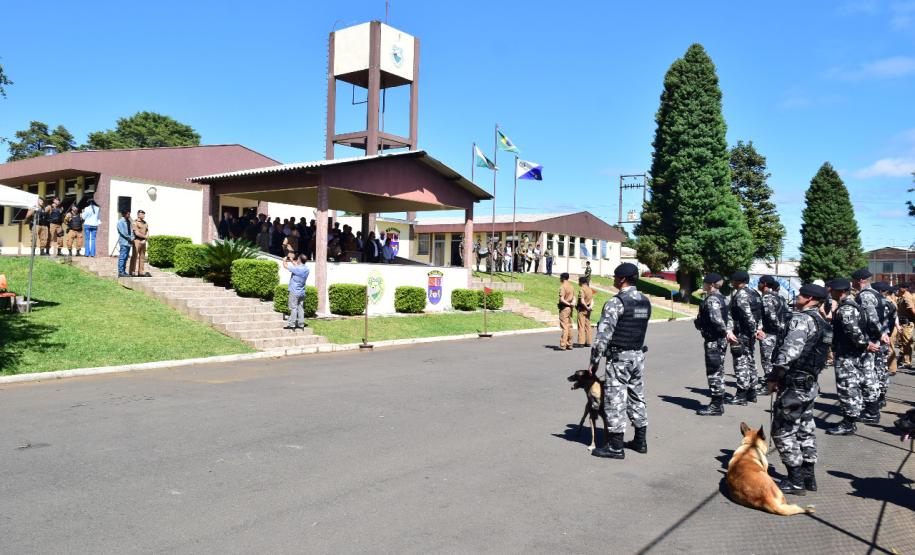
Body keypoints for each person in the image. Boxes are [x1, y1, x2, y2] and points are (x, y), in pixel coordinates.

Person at [766, 283, 831, 495]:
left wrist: (774, 376)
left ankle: (795, 479)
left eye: (802, 294)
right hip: (810, 383)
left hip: (794, 384)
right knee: (805, 429)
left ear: (810, 299)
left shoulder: (802, 319)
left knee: (783, 431)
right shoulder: (823, 322)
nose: (798, 297)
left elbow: (790, 352)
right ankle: (808, 476)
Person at [590, 262, 652, 459]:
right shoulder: (644, 302)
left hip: (619, 358)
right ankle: (640, 441)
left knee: (615, 399)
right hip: (637, 357)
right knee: (637, 396)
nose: (614, 280)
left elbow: (603, 336)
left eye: (616, 277)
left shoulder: (616, 302)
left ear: (622, 279)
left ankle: (616, 446)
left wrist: (594, 361)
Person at [825, 278, 869, 436]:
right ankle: (851, 417)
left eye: (834, 290)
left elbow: (853, 332)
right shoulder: (851, 304)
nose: (831, 293)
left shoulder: (846, 309)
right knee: (852, 385)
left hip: (847, 355)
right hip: (850, 353)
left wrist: (865, 344)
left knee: (847, 387)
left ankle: (848, 423)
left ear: (841, 291)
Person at [851, 268, 887, 423]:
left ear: (859, 280)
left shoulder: (865, 295)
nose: (852, 283)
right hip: (874, 338)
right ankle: (871, 407)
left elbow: (872, 318)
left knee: (867, 374)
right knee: (870, 372)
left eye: (853, 280)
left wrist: (879, 335)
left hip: (869, 340)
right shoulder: (876, 294)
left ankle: (872, 411)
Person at [695, 273, 730, 416]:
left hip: (714, 340)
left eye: (704, 283)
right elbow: (729, 318)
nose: (702, 285)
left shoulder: (712, 300)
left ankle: (716, 405)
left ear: (710, 285)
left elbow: (716, 320)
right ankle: (718, 402)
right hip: (719, 339)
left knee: (714, 371)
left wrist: (725, 331)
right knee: (719, 369)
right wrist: (728, 332)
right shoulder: (724, 298)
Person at [727, 270, 762, 405]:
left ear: (737, 281)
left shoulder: (741, 295)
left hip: (742, 334)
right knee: (751, 361)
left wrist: (754, 330)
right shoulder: (754, 293)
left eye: (733, 280)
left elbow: (748, 316)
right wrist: (757, 329)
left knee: (741, 363)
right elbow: (759, 314)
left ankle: (741, 394)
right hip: (749, 334)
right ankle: (752, 392)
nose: (731, 282)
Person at [757, 275, 789, 396]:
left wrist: (763, 329)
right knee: (776, 359)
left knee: (767, 360)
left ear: (764, 284)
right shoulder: (780, 297)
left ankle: (768, 386)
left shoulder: (766, 298)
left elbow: (770, 316)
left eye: (759, 282)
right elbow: (787, 314)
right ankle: (777, 383)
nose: (758, 284)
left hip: (769, 333)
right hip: (780, 334)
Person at [873, 282, 899, 407]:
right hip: (885, 338)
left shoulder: (877, 304)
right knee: (882, 368)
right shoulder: (891, 304)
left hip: (876, 339)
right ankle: (882, 396)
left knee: (874, 369)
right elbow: (893, 322)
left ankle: (874, 398)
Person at [283, 254, 310, 330]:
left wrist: (284, 260)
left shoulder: (297, 269)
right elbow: (297, 266)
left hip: (294, 292)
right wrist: (291, 261)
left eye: (297, 258)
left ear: (300, 260)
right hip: (301, 292)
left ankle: (292, 325)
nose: (297, 259)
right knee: (300, 308)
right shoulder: (306, 269)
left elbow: (285, 266)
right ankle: (301, 325)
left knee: (293, 308)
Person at [897, 282, 915, 369]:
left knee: (907, 343)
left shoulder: (907, 297)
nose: (899, 289)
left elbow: (912, 309)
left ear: (905, 288)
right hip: (903, 322)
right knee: (904, 343)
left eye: (900, 287)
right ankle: (904, 360)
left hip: (907, 323)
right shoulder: (904, 296)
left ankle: (907, 362)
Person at [558, 272, 575, 350]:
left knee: (564, 326)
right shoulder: (571, 287)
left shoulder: (563, 287)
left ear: (562, 278)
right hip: (570, 308)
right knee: (569, 326)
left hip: (565, 308)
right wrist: (572, 304)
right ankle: (569, 344)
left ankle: (563, 344)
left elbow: (561, 299)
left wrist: (568, 303)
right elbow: (574, 298)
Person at [130, 210, 150, 277]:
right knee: (134, 256)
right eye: (142, 214)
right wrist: (145, 237)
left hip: (144, 242)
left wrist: (145, 239)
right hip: (137, 241)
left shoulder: (145, 223)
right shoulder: (135, 222)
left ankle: (141, 272)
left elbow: (147, 231)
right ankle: (132, 271)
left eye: (144, 214)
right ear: (138, 215)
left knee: (142, 257)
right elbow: (137, 233)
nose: (143, 216)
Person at [576, 276, 595, 347]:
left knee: (581, 325)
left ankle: (581, 342)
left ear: (581, 282)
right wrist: (590, 307)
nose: (578, 283)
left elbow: (582, 300)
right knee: (588, 326)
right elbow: (592, 300)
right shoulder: (590, 289)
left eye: (579, 281)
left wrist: (586, 307)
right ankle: (588, 342)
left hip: (582, 309)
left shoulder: (582, 289)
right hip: (588, 310)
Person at [116, 209, 134, 278]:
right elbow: (122, 232)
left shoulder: (129, 221)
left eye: (129, 214)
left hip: (129, 242)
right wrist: (129, 238)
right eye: (128, 214)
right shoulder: (120, 222)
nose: (129, 215)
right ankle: (120, 272)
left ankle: (123, 271)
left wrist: (132, 238)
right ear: (124, 214)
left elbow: (132, 230)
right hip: (124, 242)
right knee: (122, 257)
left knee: (126, 257)